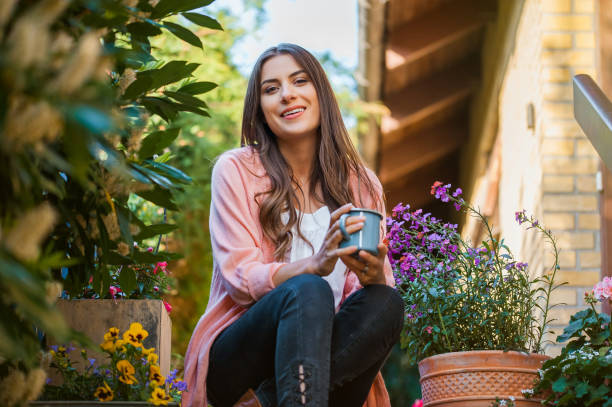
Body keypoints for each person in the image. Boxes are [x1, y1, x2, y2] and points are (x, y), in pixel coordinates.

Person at [182, 43, 404, 407]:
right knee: (308, 290)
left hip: (323, 366)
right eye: (271, 89)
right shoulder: (236, 170)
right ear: (261, 110)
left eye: (299, 81)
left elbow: (367, 305)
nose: (287, 95)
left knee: (386, 302)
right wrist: (314, 266)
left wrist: (375, 273)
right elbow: (239, 277)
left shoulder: (361, 185)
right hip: (240, 361)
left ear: (320, 93)